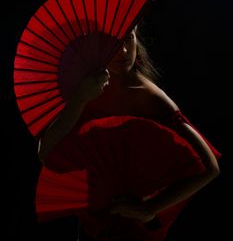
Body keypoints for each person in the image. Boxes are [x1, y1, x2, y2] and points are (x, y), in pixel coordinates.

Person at [38, 22, 221, 240]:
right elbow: (46, 154)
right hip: (91, 226)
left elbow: (210, 168)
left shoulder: (148, 97)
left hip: (134, 232)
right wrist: (79, 99)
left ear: (137, 40)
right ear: (95, 46)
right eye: (111, 42)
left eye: (129, 38)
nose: (123, 51)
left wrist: (151, 208)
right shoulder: (83, 87)